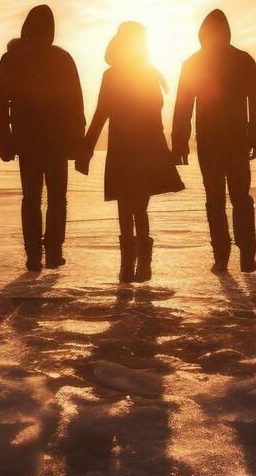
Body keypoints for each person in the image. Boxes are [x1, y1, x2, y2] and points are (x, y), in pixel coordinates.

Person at [77, 21, 184, 282]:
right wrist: (86, 149)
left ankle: (131, 266)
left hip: (126, 148)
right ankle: (137, 265)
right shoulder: (146, 73)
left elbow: (101, 113)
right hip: (144, 148)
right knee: (138, 206)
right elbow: (149, 114)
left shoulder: (116, 75)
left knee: (127, 206)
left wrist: (87, 148)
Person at [0, 5, 84, 271]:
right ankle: (53, 252)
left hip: (28, 141)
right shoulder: (61, 58)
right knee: (56, 198)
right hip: (54, 141)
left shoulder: (12, 58)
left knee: (32, 198)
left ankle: (34, 255)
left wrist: (4, 139)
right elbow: (76, 105)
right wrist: (77, 142)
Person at [172, 9, 256, 272]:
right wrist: (255, 135)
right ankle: (244, 255)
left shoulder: (195, 62)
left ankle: (223, 257)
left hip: (215, 142)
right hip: (232, 141)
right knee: (239, 198)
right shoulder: (241, 59)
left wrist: (179, 141)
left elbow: (182, 106)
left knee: (217, 199)